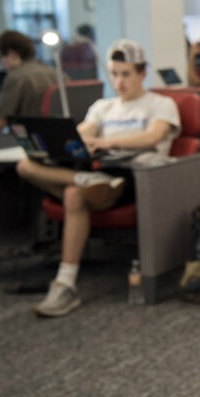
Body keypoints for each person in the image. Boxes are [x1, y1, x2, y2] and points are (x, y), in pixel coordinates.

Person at [16, 39, 180, 317]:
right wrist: (71, 141)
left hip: (133, 179)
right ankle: (81, 183)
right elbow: (81, 132)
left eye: (126, 74)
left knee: (72, 193)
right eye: (114, 74)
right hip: (95, 174)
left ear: (142, 73)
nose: (119, 81)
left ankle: (65, 282)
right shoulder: (103, 107)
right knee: (25, 166)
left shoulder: (161, 104)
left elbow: (153, 136)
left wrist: (105, 142)